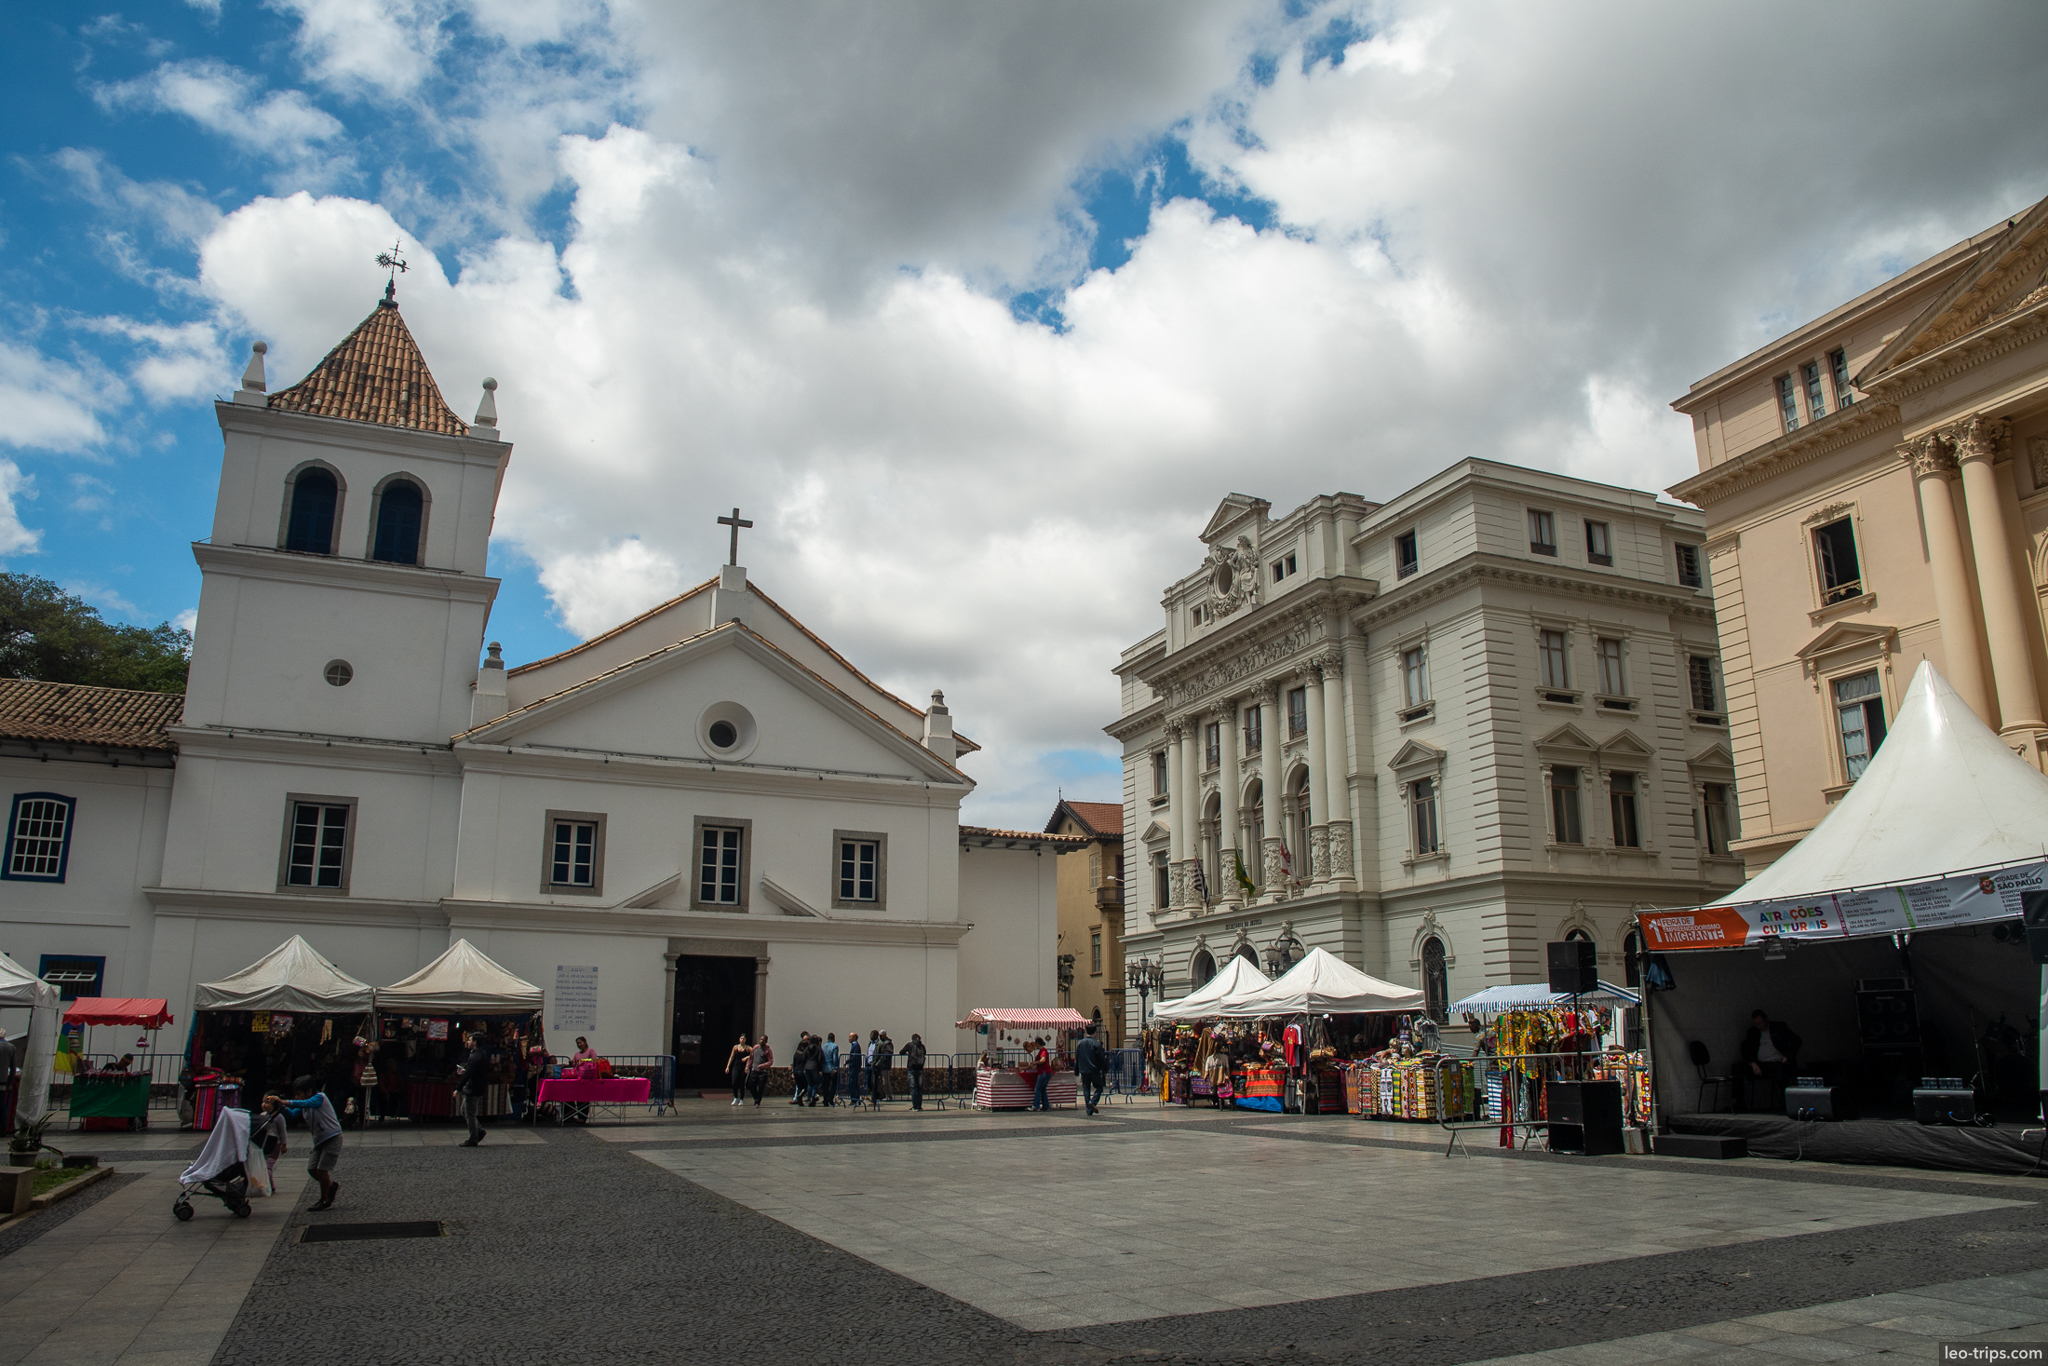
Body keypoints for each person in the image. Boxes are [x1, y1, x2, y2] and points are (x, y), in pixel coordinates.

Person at [279, 1075, 343, 1210]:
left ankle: (324, 1200)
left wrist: (284, 1102)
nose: (296, 1097)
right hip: (319, 1141)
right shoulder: (304, 1104)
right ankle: (330, 1186)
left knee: (321, 1170)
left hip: (332, 1138)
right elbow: (292, 1114)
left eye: (298, 1094)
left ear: (309, 1092)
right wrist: (281, 1107)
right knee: (312, 1169)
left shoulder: (320, 1098)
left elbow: (305, 1104)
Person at [1738, 1009, 1801, 1111]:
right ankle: (1739, 1101)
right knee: (1737, 1068)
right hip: (1761, 1063)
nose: (1760, 1026)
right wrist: (1753, 1063)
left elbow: (1797, 1041)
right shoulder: (1752, 1032)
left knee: (1779, 1071)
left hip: (1777, 1061)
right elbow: (1748, 1049)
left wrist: (1788, 1056)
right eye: (1756, 1024)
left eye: (1761, 1023)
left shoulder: (1779, 1027)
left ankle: (1789, 1101)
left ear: (1766, 1020)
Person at [457, 1032, 490, 1146]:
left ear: (475, 1042)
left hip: (473, 1088)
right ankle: (479, 1130)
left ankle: (473, 1138)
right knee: (464, 1111)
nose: (467, 1042)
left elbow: (470, 1073)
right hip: (475, 1086)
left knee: (469, 1113)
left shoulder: (475, 1056)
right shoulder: (481, 1054)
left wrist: (459, 1088)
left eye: (469, 1040)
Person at [252, 1095, 288, 1193]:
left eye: (267, 1103)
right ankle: (271, 1186)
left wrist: (284, 1145)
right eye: (263, 1102)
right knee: (265, 1165)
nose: (264, 1105)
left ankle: (266, 1186)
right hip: (265, 1144)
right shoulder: (262, 1115)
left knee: (268, 1166)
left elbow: (282, 1132)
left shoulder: (279, 1117)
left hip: (275, 1145)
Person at [1073, 1023, 1109, 1116]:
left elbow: (1077, 1057)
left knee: (1086, 1089)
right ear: (1095, 1032)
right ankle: (1093, 1102)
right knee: (1099, 1087)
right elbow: (1101, 1058)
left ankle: (1089, 1109)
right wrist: (1105, 1069)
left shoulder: (1080, 1043)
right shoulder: (1096, 1043)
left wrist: (1076, 1069)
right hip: (1094, 1069)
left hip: (1084, 1069)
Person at [869, 1031, 893, 1109]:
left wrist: (881, 1061)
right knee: (877, 1081)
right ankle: (881, 1094)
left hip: (884, 1065)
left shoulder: (886, 1043)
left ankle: (888, 1095)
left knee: (885, 1080)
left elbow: (887, 1054)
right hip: (879, 1065)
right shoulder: (878, 1043)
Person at [725, 1034, 751, 1106]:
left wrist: (747, 1057)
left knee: (742, 1083)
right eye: (741, 1038)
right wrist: (728, 1067)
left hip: (743, 1067)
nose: (742, 1040)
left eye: (744, 1039)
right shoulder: (735, 1047)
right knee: (734, 1082)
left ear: (746, 1040)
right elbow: (731, 1057)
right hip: (736, 1066)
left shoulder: (748, 1048)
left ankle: (741, 1099)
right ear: (739, 1039)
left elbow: (753, 1054)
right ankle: (736, 1097)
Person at [904, 1033, 928, 1111]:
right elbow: (924, 1053)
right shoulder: (922, 1046)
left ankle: (914, 1106)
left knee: (913, 1088)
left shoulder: (910, 1045)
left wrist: (908, 1054)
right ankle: (919, 1106)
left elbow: (901, 1051)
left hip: (912, 1068)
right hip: (920, 1068)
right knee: (919, 1088)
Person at [1029, 1038, 1053, 1112]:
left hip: (1044, 1072)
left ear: (1037, 1043)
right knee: (1043, 1089)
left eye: (1035, 1044)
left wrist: (1035, 1063)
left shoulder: (1043, 1051)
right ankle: (1046, 1106)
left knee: (1038, 1088)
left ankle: (1036, 1105)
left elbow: (1043, 1060)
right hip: (1047, 1072)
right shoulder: (1042, 1051)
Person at [747, 1036, 771, 1107]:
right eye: (761, 1039)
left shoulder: (767, 1050)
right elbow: (750, 1058)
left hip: (762, 1072)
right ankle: (756, 1098)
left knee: (761, 1087)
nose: (761, 1041)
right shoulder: (755, 1048)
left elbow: (771, 1061)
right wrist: (747, 1066)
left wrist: (764, 1065)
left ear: (766, 1041)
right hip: (754, 1070)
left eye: (763, 1040)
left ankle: (757, 1102)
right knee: (751, 1085)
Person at [802, 1033, 825, 1107]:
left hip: (806, 1067)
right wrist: (820, 1069)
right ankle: (813, 1097)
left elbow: (803, 1058)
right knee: (816, 1083)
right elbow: (820, 1059)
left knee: (809, 1084)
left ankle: (809, 1097)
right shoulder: (818, 1049)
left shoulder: (807, 1048)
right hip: (814, 1068)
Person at [842, 1027, 863, 1107]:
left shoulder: (856, 1046)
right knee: (854, 1083)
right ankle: (856, 1099)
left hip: (854, 1067)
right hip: (853, 1067)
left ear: (854, 1038)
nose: (848, 1038)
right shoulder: (854, 1046)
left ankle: (854, 1099)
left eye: (850, 1037)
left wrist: (847, 1062)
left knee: (852, 1083)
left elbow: (854, 1057)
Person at [821, 1032, 841, 1107]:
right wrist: (836, 1067)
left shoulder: (823, 1046)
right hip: (831, 1068)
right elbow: (835, 1058)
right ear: (833, 1038)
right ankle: (830, 1098)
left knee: (825, 1085)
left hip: (824, 1068)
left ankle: (825, 1099)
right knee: (833, 1084)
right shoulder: (834, 1046)